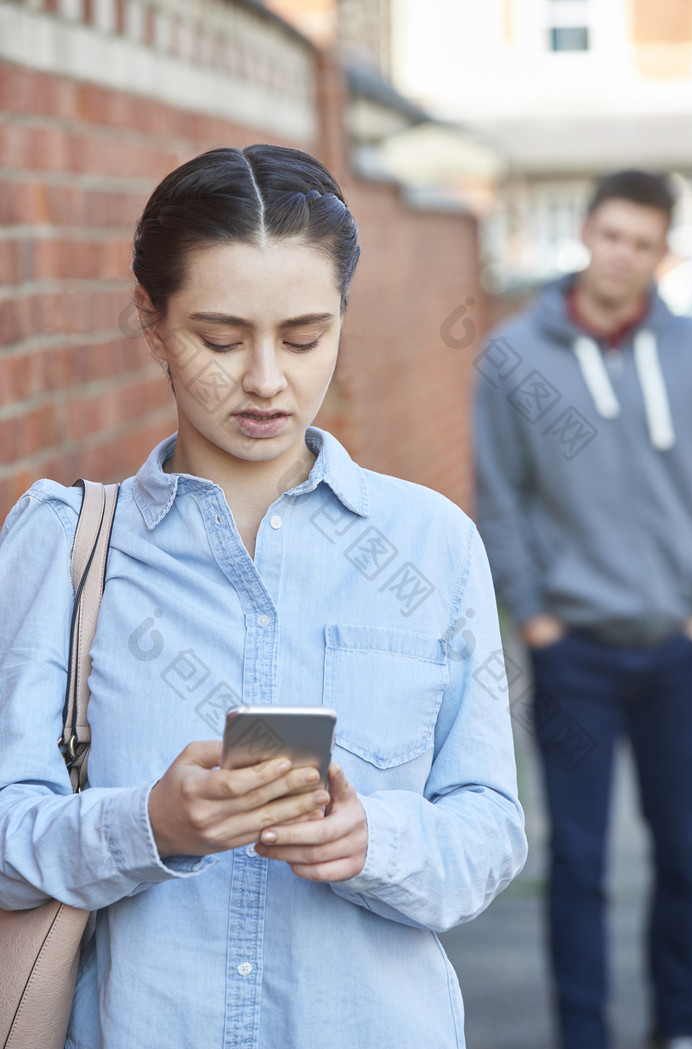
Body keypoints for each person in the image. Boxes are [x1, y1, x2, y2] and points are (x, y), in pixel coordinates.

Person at [0, 144, 527, 1049]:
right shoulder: (65, 548)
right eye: (219, 337)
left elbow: (488, 830)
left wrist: (376, 843)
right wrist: (147, 825)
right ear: (152, 322)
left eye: (303, 336)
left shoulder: (431, 543)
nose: (266, 380)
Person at [475, 169, 692, 1049]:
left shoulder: (690, 350)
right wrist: (535, 619)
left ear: (661, 253)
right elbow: (501, 497)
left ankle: (680, 1023)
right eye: (611, 235)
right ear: (586, 232)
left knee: (686, 853)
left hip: (679, 650)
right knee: (579, 859)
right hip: (574, 650)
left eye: (642, 243)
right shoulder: (515, 354)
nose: (622, 254)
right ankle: (584, 1033)